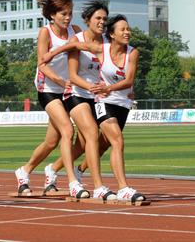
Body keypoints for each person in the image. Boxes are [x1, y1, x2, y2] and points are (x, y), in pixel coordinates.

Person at [43, 14, 146, 202]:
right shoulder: (100, 48)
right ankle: (119, 187)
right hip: (97, 99)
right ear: (112, 34)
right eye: (122, 29)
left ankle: (75, 169)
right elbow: (73, 46)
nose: (127, 32)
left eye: (128, 29)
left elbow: (129, 79)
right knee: (113, 139)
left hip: (120, 102)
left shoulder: (132, 52)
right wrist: (51, 54)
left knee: (102, 144)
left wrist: (125, 90)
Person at [14, 0, 89, 198]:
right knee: (67, 131)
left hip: (69, 90)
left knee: (52, 141)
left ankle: (26, 171)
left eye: (70, 13)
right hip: (48, 89)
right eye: (63, 13)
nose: (67, 17)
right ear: (52, 15)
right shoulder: (45, 33)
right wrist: (59, 80)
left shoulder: (75, 30)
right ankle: (73, 182)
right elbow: (42, 63)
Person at [42, 0, 116, 200]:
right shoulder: (77, 38)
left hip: (98, 96)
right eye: (98, 18)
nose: (102, 22)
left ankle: (54, 168)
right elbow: (73, 76)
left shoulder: (107, 43)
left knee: (102, 139)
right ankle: (95, 185)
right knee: (89, 132)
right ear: (88, 20)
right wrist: (90, 87)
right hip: (76, 93)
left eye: (104, 18)